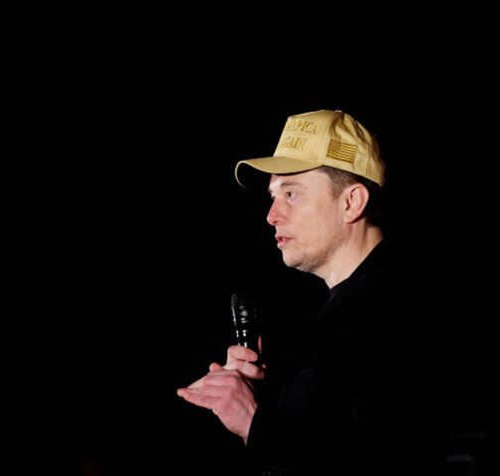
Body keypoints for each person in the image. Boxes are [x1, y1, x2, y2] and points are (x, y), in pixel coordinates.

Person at [177, 109, 439, 475]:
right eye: (273, 195)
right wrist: (269, 399)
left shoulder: (398, 313)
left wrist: (254, 421)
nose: (272, 215)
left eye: (291, 193)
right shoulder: (345, 314)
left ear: (351, 202)